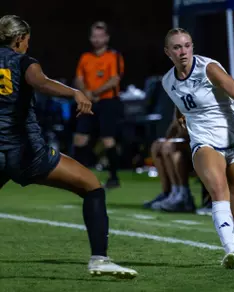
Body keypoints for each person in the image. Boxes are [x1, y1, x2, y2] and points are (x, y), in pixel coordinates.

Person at [0, 15, 137, 278]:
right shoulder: (24, 61)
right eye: (27, 39)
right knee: (92, 187)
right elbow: (41, 82)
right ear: (19, 39)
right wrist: (74, 93)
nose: (28, 44)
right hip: (27, 152)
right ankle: (99, 259)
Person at [162, 28, 234, 270]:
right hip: (205, 142)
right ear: (168, 52)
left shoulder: (208, 68)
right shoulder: (167, 81)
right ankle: (230, 252)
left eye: (187, 45)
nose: (183, 51)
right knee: (218, 190)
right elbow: (181, 103)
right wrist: (178, 121)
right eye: (177, 47)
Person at [73, 21, 124, 189]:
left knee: (108, 139)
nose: (96, 39)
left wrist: (94, 92)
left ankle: (113, 177)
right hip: (88, 102)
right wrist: (85, 92)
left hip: (108, 102)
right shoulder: (85, 57)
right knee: (80, 138)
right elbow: (78, 78)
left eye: (100, 36)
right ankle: (80, 177)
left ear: (107, 38)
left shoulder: (114, 56)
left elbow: (115, 79)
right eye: (94, 36)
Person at [143, 109, 195, 212]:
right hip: (189, 142)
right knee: (157, 146)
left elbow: (187, 128)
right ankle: (170, 192)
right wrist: (168, 139)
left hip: (202, 144)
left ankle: (184, 194)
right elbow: (176, 123)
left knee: (170, 147)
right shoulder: (178, 98)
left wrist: (174, 138)